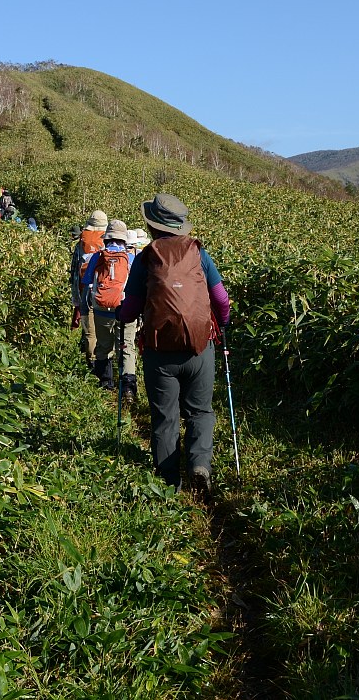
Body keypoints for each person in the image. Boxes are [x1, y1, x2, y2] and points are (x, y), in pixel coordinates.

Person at [117, 193, 229, 495]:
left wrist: (120, 314)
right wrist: (223, 323)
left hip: (159, 351)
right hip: (199, 347)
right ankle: (199, 464)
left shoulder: (146, 258)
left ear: (153, 226)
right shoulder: (198, 254)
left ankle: (169, 485)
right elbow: (220, 299)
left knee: (165, 416)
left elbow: (130, 309)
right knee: (201, 411)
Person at [80, 220, 138, 400]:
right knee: (127, 345)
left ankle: (106, 383)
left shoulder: (98, 257)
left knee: (104, 345)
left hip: (101, 308)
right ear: (124, 240)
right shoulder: (131, 258)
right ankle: (128, 387)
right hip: (125, 308)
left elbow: (86, 280)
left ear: (106, 239)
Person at [69, 210, 108, 371]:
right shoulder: (109, 241)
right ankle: (105, 363)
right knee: (105, 327)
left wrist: (76, 299)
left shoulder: (81, 243)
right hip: (104, 289)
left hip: (85, 289)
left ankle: (91, 362)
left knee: (89, 330)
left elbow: (74, 271)